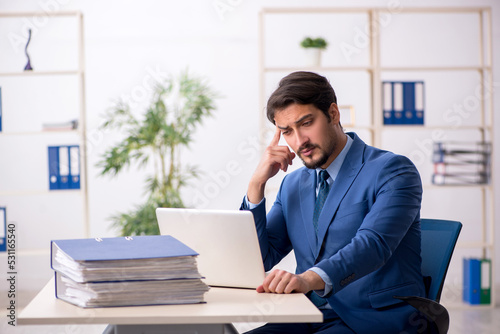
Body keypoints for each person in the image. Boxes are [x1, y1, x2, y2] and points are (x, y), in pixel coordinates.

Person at [240, 71, 426, 333]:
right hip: (305, 316)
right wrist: (256, 186)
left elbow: (372, 245)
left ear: (334, 113)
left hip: (373, 320)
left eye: (306, 123)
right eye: (287, 132)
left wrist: (307, 279)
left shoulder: (393, 170)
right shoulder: (292, 185)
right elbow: (260, 259)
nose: (299, 141)